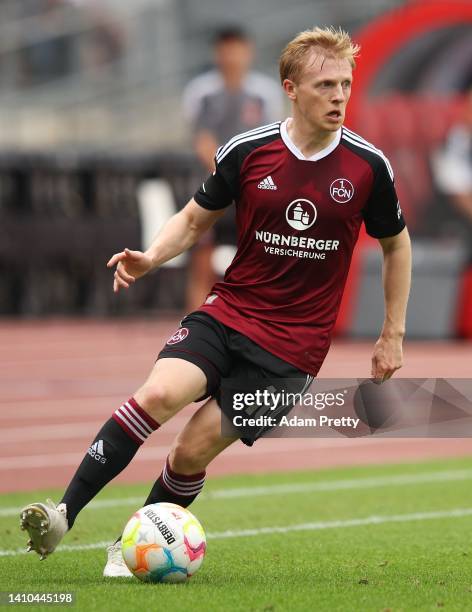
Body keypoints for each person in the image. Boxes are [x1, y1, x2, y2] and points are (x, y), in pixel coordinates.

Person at [19, 27, 411, 577]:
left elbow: (396, 244)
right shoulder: (247, 151)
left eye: (345, 83)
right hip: (228, 313)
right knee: (157, 393)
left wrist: (392, 331)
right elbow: (195, 218)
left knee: (189, 452)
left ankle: (127, 549)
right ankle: (63, 513)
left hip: (291, 353)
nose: (340, 96)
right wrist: (151, 256)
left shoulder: (368, 167)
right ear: (291, 88)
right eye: (326, 84)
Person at [182, 27, 283, 311]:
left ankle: (256, 318)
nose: (232, 56)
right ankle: (193, 320)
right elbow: (202, 140)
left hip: (254, 187)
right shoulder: (202, 92)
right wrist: (226, 175)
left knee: (259, 255)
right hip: (212, 185)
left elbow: (271, 139)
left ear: (248, 52)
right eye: (226, 49)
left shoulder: (264, 93)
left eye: (237, 49)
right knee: (203, 255)